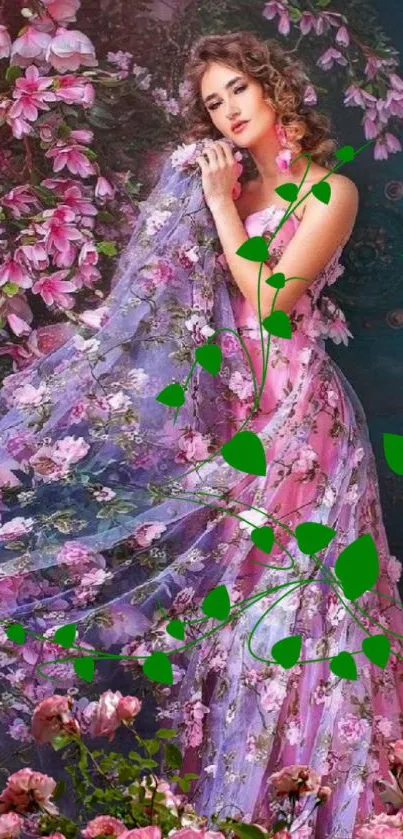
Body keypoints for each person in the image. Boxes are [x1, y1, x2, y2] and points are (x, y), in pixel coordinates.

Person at [0, 29, 402, 839]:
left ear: (275, 90)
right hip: (234, 416)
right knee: (240, 613)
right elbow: (163, 302)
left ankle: (338, 809)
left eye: (237, 93)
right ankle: (249, 807)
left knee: (303, 605)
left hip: (299, 417)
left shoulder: (330, 192)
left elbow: (275, 299)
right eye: (212, 103)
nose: (225, 113)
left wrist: (220, 204)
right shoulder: (219, 183)